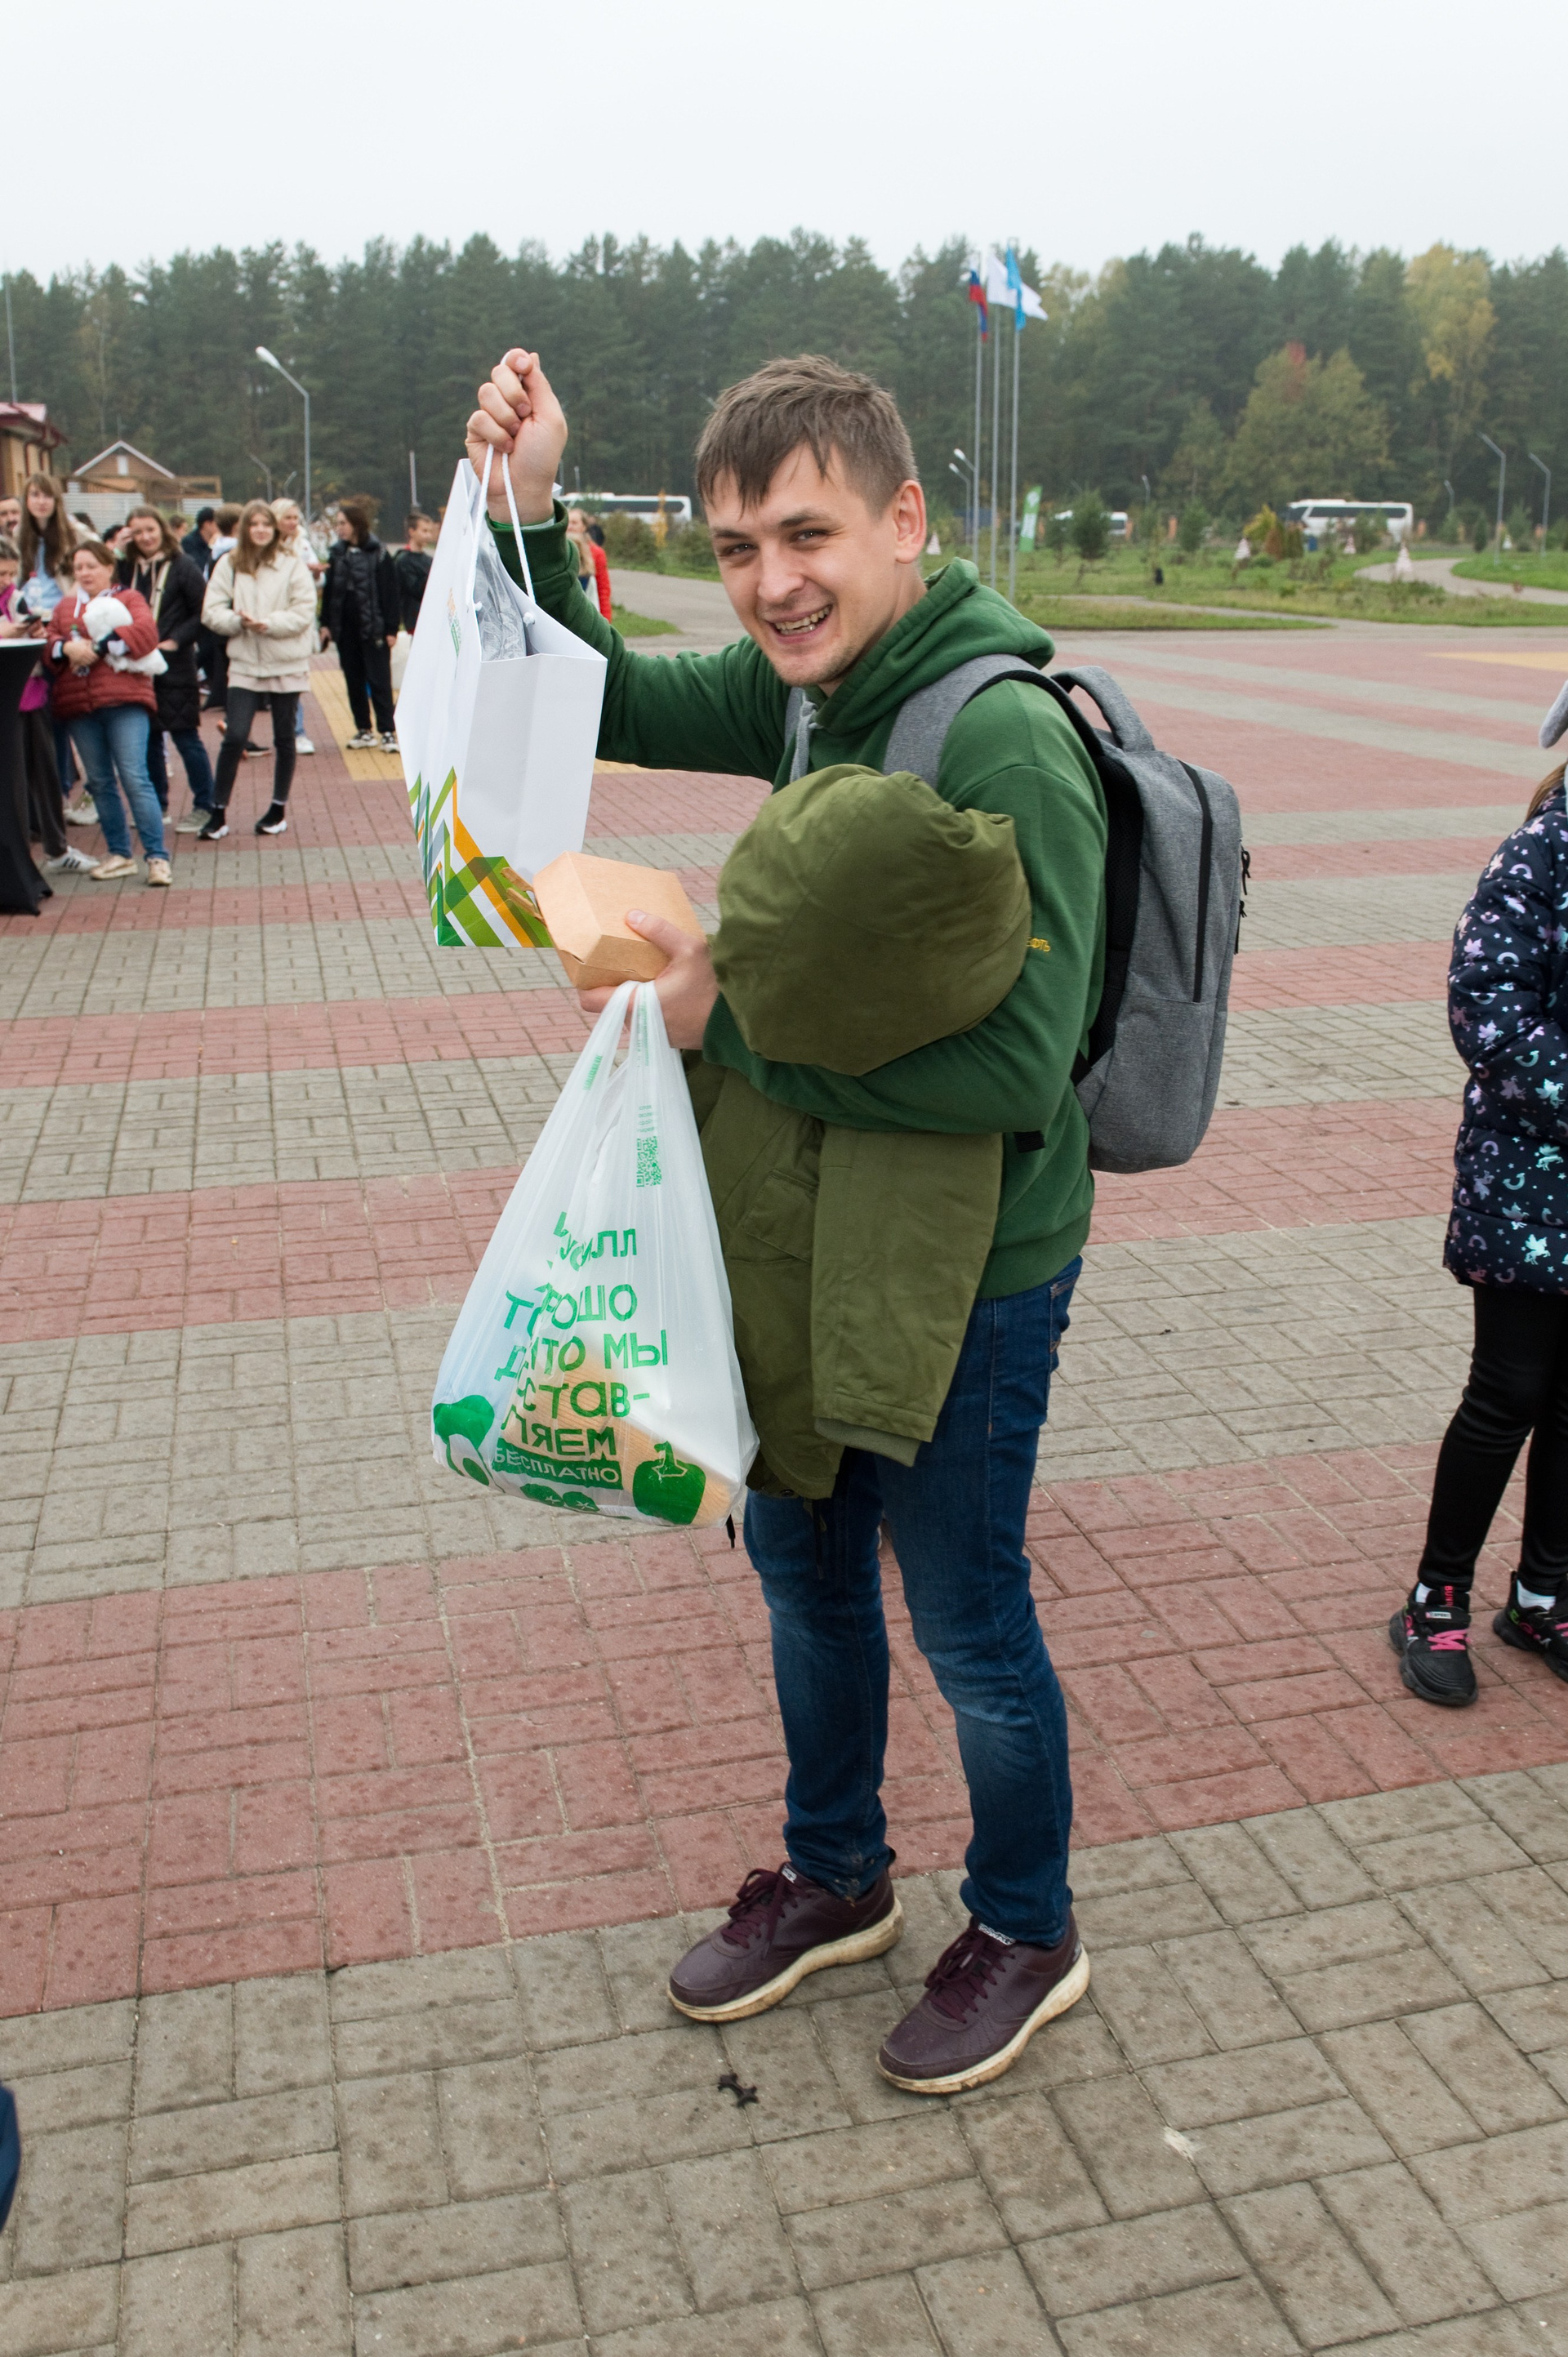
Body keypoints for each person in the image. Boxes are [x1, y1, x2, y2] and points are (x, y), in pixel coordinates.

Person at [467, 346, 1107, 2096]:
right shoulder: (802, 694)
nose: (772, 585)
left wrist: (722, 1022)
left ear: (904, 519)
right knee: (807, 1580)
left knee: (966, 1618)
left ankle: (1027, 1924)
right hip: (808, 1230)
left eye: (806, 535)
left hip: (974, 1268)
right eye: (739, 548)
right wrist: (533, 506)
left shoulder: (1001, 733)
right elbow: (605, 695)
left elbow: (1025, 1068)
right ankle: (838, 1875)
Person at [1391, 703, 1568, 1709]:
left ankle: (1542, 1595)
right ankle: (1435, 1597)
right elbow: (1488, 1012)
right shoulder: (1540, 854)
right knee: (1509, 1395)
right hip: (1532, 1185)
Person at [43, 538, 170, 884]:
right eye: (78, 568)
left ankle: (157, 857)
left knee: (134, 776)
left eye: (91, 566)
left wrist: (97, 648)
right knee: (99, 782)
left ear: (109, 567)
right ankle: (119, 854)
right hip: (78, 705)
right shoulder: (64, 607)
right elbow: (48, 643)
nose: (84, 573)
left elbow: (145, 633)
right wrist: (66, 649)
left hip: (124, 701)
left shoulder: (128, 598)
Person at [199, 497, 316, 839]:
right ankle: (218, 811)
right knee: (235, 736)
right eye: (254, 524)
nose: (261, 530)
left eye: (267, 524)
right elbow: (211, 610)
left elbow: (303, 610)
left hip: (286, 660)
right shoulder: (230, 563)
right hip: (245, 661)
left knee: (284, 737)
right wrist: (238, 621)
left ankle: (277, 809)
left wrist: (269, 624)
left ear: (274, 529)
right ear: (244, 529)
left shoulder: (292, 564)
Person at [118, 506, 217, 829]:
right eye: (138, 532)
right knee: (148, 739)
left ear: (162, 529)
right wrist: (117, 550)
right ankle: (157, 806)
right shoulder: (126, 568)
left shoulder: (182, 565)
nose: (146, 537)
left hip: (174, 665)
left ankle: (205, 804)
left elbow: (203, 610)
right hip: (137, 666)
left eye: (151, 529)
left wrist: (177, 640)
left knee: (185, 736)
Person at [0, 533, 85, 871]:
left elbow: (40, 636)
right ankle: (20, 859)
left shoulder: (17, 598)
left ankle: (57, 849)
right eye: (1, 574)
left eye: (11, 573)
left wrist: (36, 634)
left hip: (32, 693)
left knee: (46, 773)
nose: (7, 581)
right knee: (15, 783)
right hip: (7, 701)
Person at [16, 475, 88, 822]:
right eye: (35, 495)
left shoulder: (73, 533)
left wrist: (69, 601)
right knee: (41, 716)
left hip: (63, 625)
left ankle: (72, 791)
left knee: (67, 713)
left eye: (47, 495)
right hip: (30, 629)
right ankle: (52, 797)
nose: (41, 501)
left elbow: (98, 563)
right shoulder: (19, 536)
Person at [318, 500, 399, 750]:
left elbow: (390, 592)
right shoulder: (337, 553)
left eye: (343, 523)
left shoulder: (379, 552)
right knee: (353, 679)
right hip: (345, 629)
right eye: (338, 524)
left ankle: (388, 731)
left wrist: (391, 628)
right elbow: (330, 592)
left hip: (373, 627)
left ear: (356, 524)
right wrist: (325, 624)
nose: (339, 528)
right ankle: (363, 729)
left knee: (379, 680)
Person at [271, 498, 322, 754]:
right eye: (287, 518)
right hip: (271, 617)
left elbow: (318, 583)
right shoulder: (266, 546)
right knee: (271, 679)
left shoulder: (302, 543)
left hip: (297, 619)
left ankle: (297, 731)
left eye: (295, 518)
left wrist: (316, 573)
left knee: (293, 677)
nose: (293, 523)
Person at [394, 509, 436, 631]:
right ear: (412, 531)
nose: (428, 535)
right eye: (424, 531)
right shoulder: (403, 560)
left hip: (431, 618)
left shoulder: (429, 559)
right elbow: (416, 589)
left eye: (430, 531)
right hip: (415, 620)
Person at [566, 506, 612, 619]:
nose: (570, 526)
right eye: (568, 522)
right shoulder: (557, 549)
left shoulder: (596, 553)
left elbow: (602, 588)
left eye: (574, 523)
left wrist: (605, 618)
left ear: (584, 527)